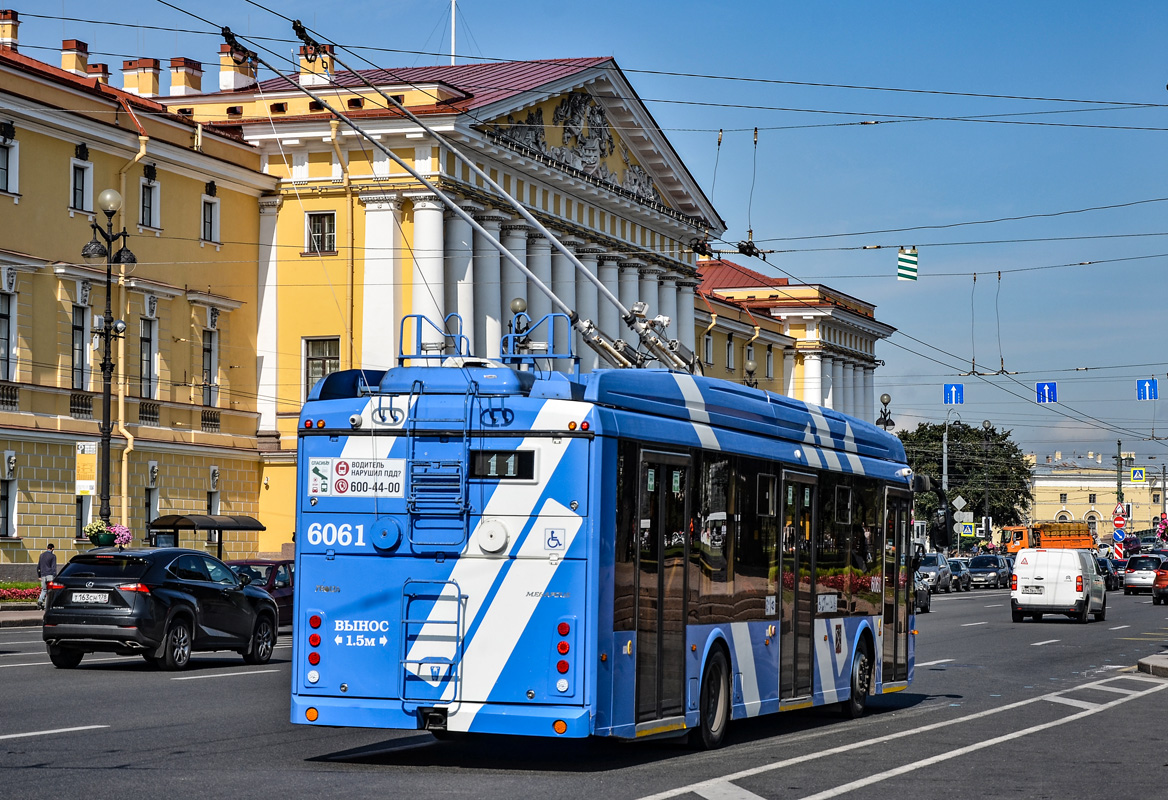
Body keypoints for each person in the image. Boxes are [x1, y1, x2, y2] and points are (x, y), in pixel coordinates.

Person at [36, 542, 57, 610]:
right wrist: (55, 575)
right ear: (52, 549)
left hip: (43, 575)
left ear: (47, 548)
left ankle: (40, 601)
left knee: (44, 590)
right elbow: (53, 567)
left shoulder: (41, 555)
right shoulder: (53, 556)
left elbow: (38, 567)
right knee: (50, 590)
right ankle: (47, 606)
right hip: (50, 575)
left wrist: (39, 575)